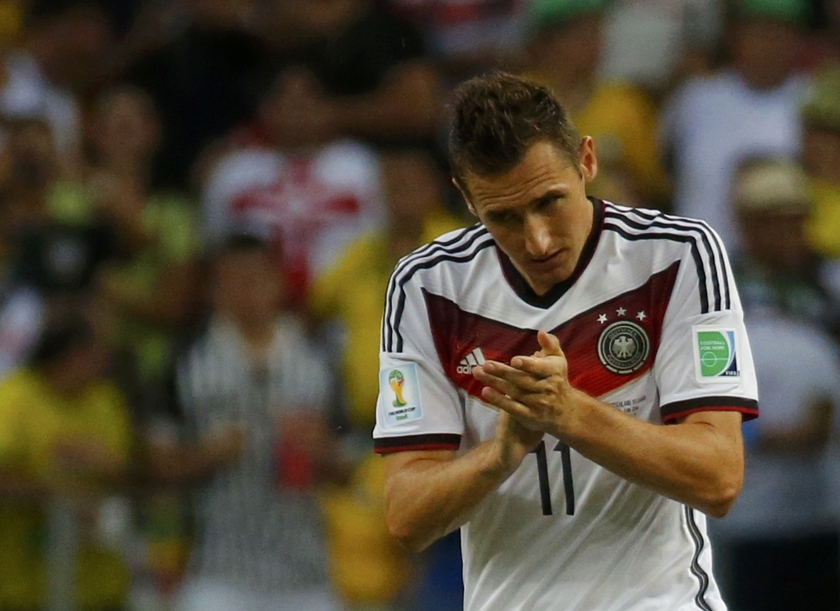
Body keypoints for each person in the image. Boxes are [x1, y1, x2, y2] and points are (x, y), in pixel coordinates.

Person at [374, 72, 758, 611]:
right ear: (464, 196)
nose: (537, 240)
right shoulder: (429, 288)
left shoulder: (675, 257)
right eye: (502, 217)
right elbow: (406, 518)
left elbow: (719, 478)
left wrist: (568, 412)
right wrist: (502, 453)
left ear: (587, 160)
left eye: (550, 201)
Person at [167, 233, 350, 611]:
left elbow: (350, 465)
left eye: (255, 278)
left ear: (278, 283)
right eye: (232, 280)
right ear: (213, 290)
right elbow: (154, 465)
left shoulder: (316, 361)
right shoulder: (188, 362)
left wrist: (320, 451)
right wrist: (206, 455)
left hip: (306, 572)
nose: (245, 290)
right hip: (218, 570)